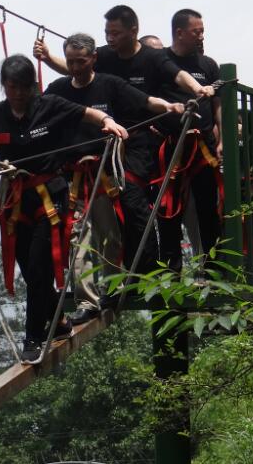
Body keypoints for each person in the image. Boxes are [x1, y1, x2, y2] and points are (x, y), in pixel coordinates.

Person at [0, 55, 127, 364]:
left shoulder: (49, 106)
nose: (18, 93)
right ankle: (59, 320)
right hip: (16, 200)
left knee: (39, 269)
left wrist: (107, 120)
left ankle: (33, 338)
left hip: (50, 197)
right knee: (30, 270)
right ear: (4, 86)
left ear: (32, 86)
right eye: (12, 87)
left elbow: (86, 113)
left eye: (23, 87)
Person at [34, 5, 211, 276]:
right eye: (107, 33)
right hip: (103, 150)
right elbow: (75, 67)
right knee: (102, 218)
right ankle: (117, 277)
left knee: (137, 202)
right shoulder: (102, 58)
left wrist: (195, 91)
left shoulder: (150, 59)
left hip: (140, 144)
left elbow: (172, 80)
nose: (110, 38)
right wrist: (47, 59)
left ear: (133, 31)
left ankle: (151, 272)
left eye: (115, 33)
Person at [44, 33, 183, 323]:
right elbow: (38, 115)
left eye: (81, 61)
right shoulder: (57, 90)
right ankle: (87, 300)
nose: (75, 67)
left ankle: (111, 288)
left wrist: (170, 107)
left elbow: (146, 101)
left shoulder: (110, 85)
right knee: (77, 238)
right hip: (74, 175)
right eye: (70, 62)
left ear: (93, 59)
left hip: (106, 173)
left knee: (111, 236)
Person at [155, 9, 225, 272]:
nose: (202, 36)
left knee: (208, 209)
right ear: (180, 32)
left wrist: (221, 139)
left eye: (202, 30)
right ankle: (171, 273)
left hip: (203, 147)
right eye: (197, 31)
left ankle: (214, 271)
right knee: (168, 210)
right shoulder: (160, 61)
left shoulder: (208, 65)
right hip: (169, 146)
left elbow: (218, 105)